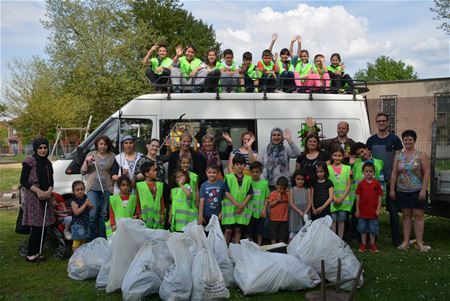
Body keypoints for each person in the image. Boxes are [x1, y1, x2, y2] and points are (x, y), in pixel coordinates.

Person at [390, 130, 431, 252]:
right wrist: (392, 189)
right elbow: (394, 173)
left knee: (418, 216)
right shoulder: (398, 156)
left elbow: (427, 172)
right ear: (403, 141)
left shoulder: (421, 155)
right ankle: (406, 241)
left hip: (418, 190)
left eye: (410, 139)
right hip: (402, 190)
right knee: (406, 216)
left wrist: (424, 189)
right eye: (405, 139)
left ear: (414, 140)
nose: (407, 141)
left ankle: (419, 242)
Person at [366, 112, 403, 246]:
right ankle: (372, 239)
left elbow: (397, 160)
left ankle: (396, 240)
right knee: (372, 210)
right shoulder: (371, 140)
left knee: (393, 211)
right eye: (379, 121)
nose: (381, 123)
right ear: (376, 122)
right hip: (374, 182)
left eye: (383, 120)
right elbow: (367, 160)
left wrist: (393, 178)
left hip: (390, 180)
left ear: (387, 122)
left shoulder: (395, 140)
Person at [20, 137, 55, 262]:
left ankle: (38, 252)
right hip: (34, 197)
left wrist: (49, 191)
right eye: (40, 148)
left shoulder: (48, 163)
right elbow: (23, 181)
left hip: (46, 196)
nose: (43, 150)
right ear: (36, 149)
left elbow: (51, 181)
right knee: (37, 226)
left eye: (45, 148)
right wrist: (39, 191)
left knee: (45, 225)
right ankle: (31, 254)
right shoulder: (29, 161)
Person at [81, 135, 118, 239]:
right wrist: (86, 161)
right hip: (92, 188)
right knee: (93, 214)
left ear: (108, 145)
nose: (103, 146)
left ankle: (102, 238)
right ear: (97, 144)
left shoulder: (113, 156)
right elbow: (83, 171)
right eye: (101, 144)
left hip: (107, 188)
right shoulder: (91, 154)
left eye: (105, 144)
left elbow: (115, 171)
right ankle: (93, 238)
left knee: (104, 215)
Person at [349, 142, 385, 243]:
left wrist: (380, 194)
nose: (361, 154)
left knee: (372, 217)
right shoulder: (356, 162)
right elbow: (351, 176)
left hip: (372, 196)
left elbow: (381, 180)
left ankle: (372, 237)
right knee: (357, 216)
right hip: (358, 195)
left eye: (362, 151)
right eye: (358, 154)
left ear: (367, 149)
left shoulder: (378, 162)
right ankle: (356, 237)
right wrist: (351, 164)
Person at [222, 154, 253, 244]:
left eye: (242, 164)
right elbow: (227, 193)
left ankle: (236, 250)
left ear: (245, 165)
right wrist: (238, 205)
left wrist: (242, 205)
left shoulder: (248, 179)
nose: (239, 166)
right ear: (233, 166)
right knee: (228, 231)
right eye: (237, 164)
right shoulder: (229, 177)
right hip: (230, 209)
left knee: (238, 230)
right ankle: (224, 251)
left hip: (242, 209)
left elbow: (249, 194)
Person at [355, 162, 383, 253]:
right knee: (362, 228)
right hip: (363, 211)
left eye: (370, 171)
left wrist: (378, 209)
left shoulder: (376, 184)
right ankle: (363, 243)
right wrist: (357, 210)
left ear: (374, 172)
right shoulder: (361, 184)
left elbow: (380, 196)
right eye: (366, 171)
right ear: (363, 172)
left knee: (372, 229)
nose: (368, 173)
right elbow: (358, 197)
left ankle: (372, 244)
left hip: (373, 211)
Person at [328, 147, 351, 239]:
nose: (337, 158)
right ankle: (334, 239)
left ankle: (340, 239)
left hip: (343, 200)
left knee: (341, 220)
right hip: (332, 198)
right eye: (335, 155)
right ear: (332, 156)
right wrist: (333, 197)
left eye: (339, 156)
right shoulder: (328, 168)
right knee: (333, 220)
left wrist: (342, 198)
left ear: (343, 156)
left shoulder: (347, 168)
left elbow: (348, 185)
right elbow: (328, 185)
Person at [136, 162, 165, 229]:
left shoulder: (159, 185)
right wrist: (139, 214)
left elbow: (161, 200)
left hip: (157, 218)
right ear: (146, 173)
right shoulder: (140, 186)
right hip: (145, 217)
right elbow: (138, 201)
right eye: (153, 170)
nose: (156, 172)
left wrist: (162, 213)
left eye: (156, 170)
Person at [248, 161, 270, 245]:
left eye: (257, 172)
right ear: (250, 172)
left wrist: (264, 209)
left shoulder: (264, 183)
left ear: (261, 172)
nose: (255, 174)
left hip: (259, 211)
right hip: (249, 211)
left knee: (259, 230)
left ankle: (259, 245)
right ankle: (248, 245)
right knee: (248, 229)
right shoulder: (247, 181)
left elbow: (267, 197)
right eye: (253, 172)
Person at [71, 181, 94, 253]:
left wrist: (90, 206)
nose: (80, 191)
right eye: (77, 190)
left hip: (85, 223)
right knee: (77, 241)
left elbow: (89, 208)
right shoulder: (74, 201)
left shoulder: (85, 198)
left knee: (83, 241)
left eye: (82, 189)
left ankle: (81, 256)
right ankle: (75, 257)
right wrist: (85, 204)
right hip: (77, 224)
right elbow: (77, 212)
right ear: (74, 191)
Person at [289, 169, 311, 242]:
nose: (300, 181)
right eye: (298, 179)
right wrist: (299, 211)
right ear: (294, 179)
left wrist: (305, 211)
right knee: (293, 232)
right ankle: (290, 248)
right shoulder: (292, 190)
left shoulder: (307, 189)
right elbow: (291, 203)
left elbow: (310, 202)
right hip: (295, 213)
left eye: (302, 179)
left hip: (305, 213)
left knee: (305, 232)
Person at [268, 176, 290, 244]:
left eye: (283, 189)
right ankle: (273, 248)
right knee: (273, 236)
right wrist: (277, 200)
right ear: (276, 185)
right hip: (274, 219)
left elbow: (291, 201)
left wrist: (288, 192)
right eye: (280, 188)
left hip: (284, 220)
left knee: (282, 236)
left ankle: (280, 249)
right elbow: (270, 205)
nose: (281, 190)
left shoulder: (287, 194)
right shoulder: (273, 193)